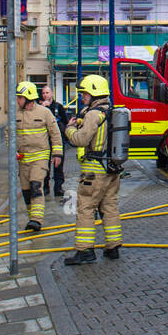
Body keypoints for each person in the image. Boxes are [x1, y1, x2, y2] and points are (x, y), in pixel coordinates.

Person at [63, 74, 122, 265]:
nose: (82, 98)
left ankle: (85, 251)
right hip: (111, 168)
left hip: (93, 171)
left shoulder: (92, 114)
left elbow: (80, 140)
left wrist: (69, 129)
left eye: (84, 94)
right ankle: (113, 248)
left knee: (86, 207)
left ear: (94, 93)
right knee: (109, 206)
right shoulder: (109, 110)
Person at [15, 81, 63, 232]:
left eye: (20, 97)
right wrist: (12, 151)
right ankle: (31, 218)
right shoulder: (14, 113)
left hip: (40, 158)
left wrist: (57, 154)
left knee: (36, 186)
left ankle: (37, 220)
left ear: (29, 98)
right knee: (26, 190)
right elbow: (8, 133)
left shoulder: (44, 112)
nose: (18, 100)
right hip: (23, 160)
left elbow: (55, 133)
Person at [40, 84, 68, 198]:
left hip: (57, 140)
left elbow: (65, 122)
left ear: (52, 94)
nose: (45, 95)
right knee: (45, 165)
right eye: (43, 93)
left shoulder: (58, 107)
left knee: (58, 165)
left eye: (47, 93)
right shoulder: (39, 108)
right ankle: (45, 187)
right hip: (44, 141)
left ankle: (58, 188)